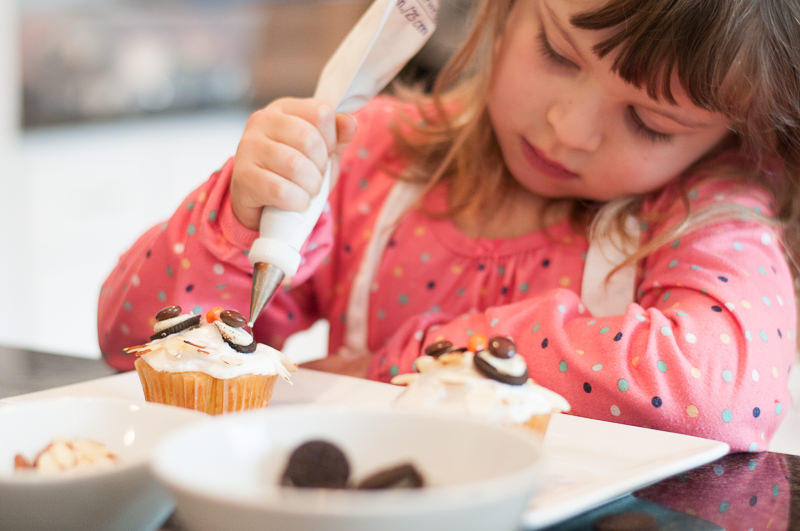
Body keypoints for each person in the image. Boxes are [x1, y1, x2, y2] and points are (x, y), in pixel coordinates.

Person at [98, 0, 800, 452]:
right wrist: (235, 220)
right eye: (557, 54)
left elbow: (714, 394)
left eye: (650, 123)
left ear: (732, 134)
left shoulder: (706, 216)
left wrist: (421, 369)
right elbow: (139, 344)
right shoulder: (375, 156)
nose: (569, 129)